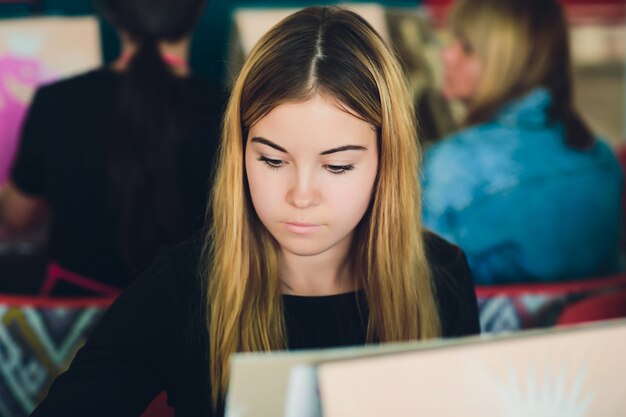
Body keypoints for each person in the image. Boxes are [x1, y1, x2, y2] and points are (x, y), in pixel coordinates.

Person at [30, 6, 480, 416]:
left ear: (387, 160)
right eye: (272, 160)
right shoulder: (181, 287)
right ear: (240, 152)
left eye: (338, 165)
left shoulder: (442, 276)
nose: (301, 195)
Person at [0, 0, 225, 295]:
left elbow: (18, 218)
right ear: (198, 9)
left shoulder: (56, 103)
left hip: (76, 318)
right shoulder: (227, 111)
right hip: (190, 316)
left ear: (109, 11)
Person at [422, 0, 622, 285]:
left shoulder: (454, 162)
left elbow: (414, 279)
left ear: (506, 63)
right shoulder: (600, 154)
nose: (446, 54)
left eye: (465, 47)